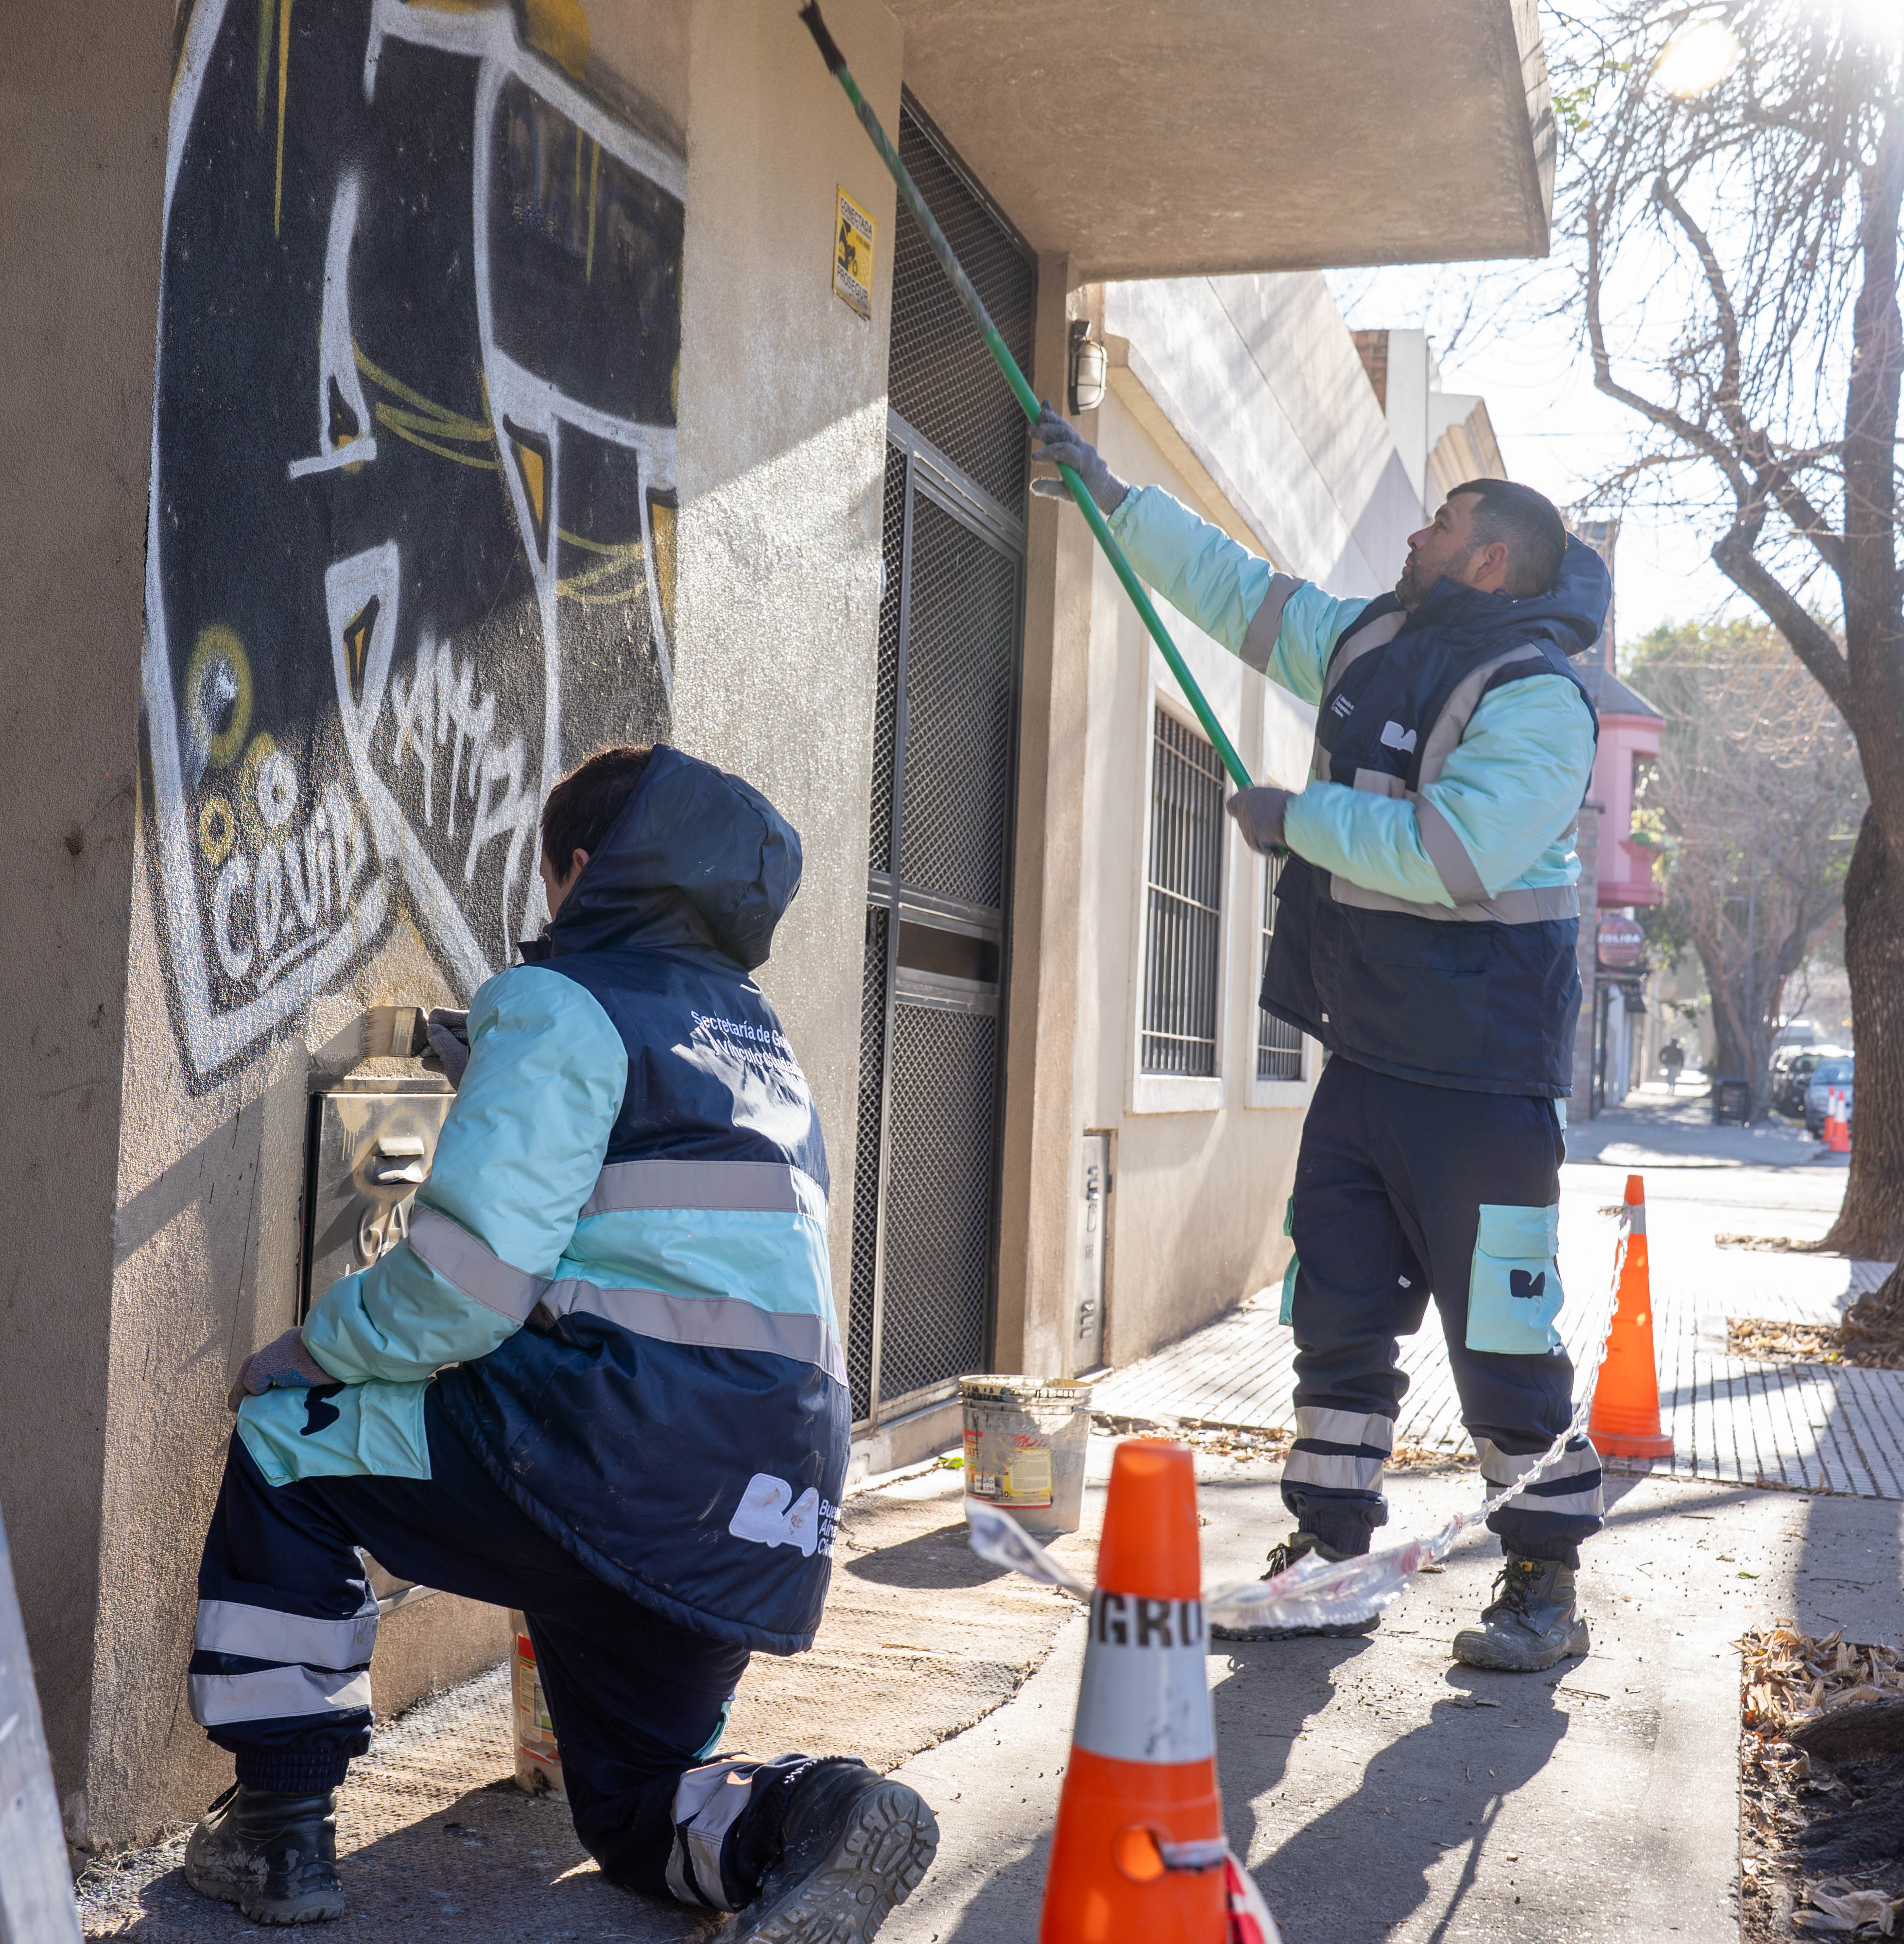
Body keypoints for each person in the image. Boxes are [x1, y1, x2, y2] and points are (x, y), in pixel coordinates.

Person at [183, 744, 938, 1937]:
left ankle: (275, 1828)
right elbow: (668, 1229)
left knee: (287, 1440)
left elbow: (464, 1288)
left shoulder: (563, 997)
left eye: (546, 880)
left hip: (616, 1454)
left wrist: (317, 1347)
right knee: (635, 1813)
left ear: (582, 871)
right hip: (765, 1504)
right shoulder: (757, 1042)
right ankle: (821, 1819)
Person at [1032, 411, 1610, 1674]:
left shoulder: (1540, 704)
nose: (1419, 528)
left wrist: (1298, 818)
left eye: (1444, 522)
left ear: (1490, 561)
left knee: (1503, 1334)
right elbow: (1240, 594)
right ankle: (1333, 1558)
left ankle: (1544, 1580)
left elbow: (1454, 855)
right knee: (1339, 1316)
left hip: (1485, 1086)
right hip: (1368, 1061)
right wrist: (1111, 496)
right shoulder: (1374, 642)